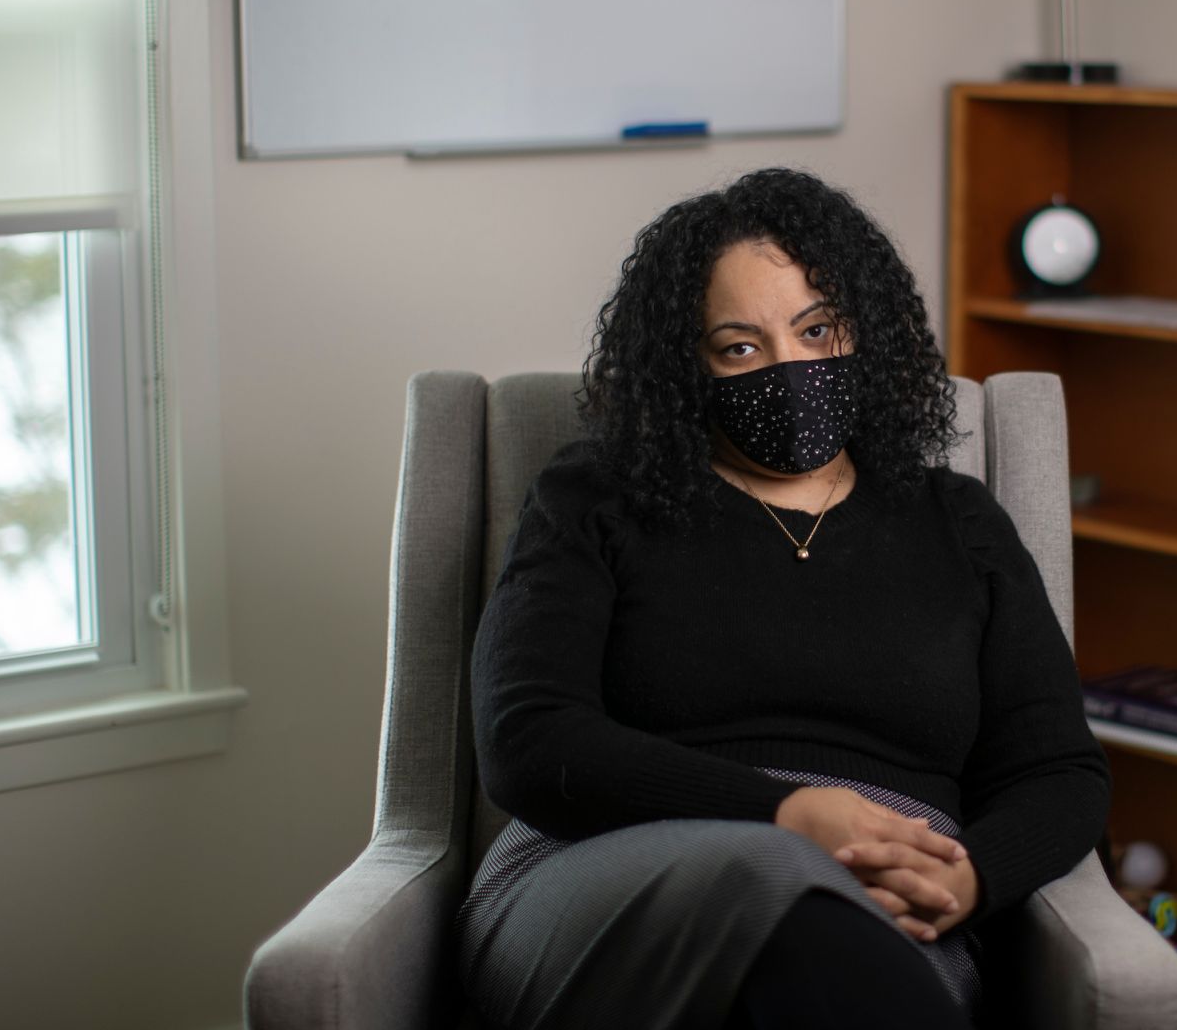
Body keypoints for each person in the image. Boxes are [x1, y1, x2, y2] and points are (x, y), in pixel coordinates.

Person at [458, 167, 1110, 1029]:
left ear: (863, 332)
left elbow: (1057, 768)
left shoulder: (958, 522)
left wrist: (969, 873)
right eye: (740, 346)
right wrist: (783, 815)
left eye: (817, 330)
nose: (790, 368)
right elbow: (527, 739)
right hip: (607, 871)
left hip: (891, 893)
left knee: (823, 951)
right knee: (769, 882)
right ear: (684, 366)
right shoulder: (596, 495)